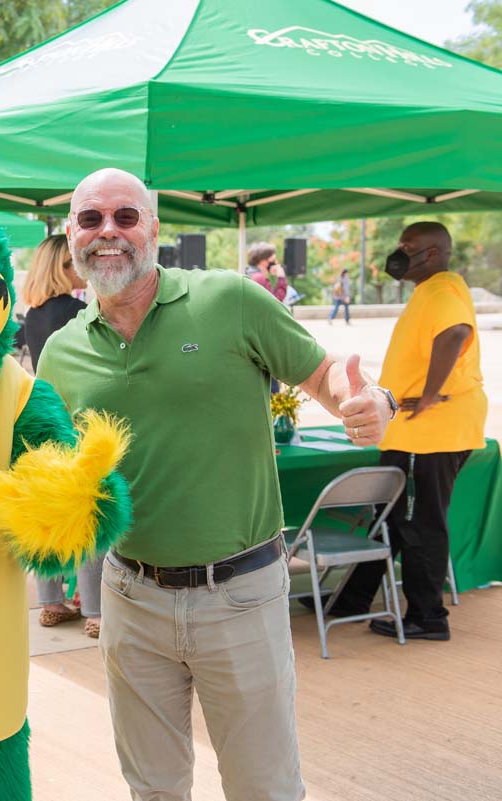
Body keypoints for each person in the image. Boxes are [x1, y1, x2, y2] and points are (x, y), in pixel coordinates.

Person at [37, 168, 394, 801]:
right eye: (90, 220)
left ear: (153, 227)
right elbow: (57, 475)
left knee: (265, 787)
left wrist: (366, 402)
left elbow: (324, 375)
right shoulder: (61, 351)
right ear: (71, 237)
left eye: (126, 216)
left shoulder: (229, 299)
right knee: (153, 788)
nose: (108, 232)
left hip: (241, 593)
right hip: (130, 595)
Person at [318, 222, 486, 641]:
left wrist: (428, 395)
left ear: (431, 253)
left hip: (428, 435)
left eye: (406, 247)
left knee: (419, 524)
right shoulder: (433, 290)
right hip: (413, 434)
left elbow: (456, 333)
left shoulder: (442, 290)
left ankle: (427, 617)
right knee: (390, 520)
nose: (397, 254)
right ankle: (352, 600)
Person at [20, 234, 104, 637]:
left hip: (44, 416)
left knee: (50, 517)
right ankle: (95, 610)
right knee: (89, 513)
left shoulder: (33, 315)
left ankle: (51, 601)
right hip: (77, 418)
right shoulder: (77, 311)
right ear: (62, 269)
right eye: (76, 264)